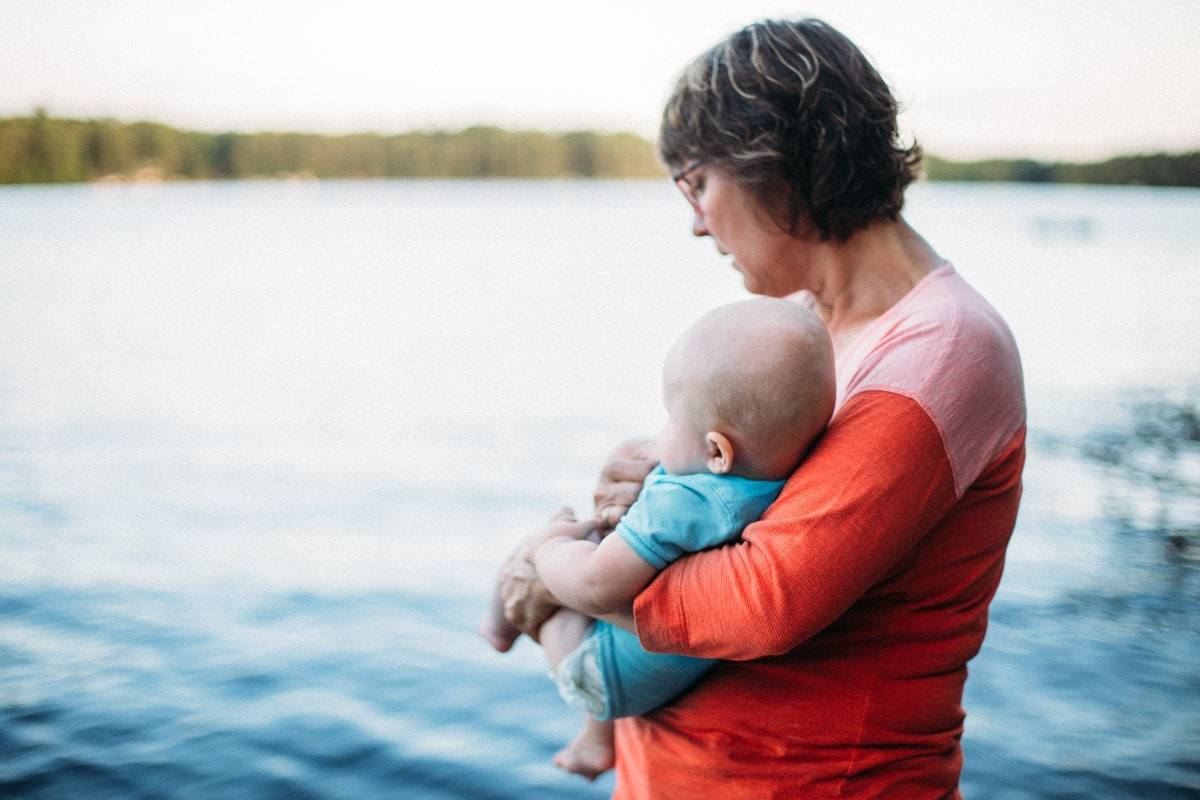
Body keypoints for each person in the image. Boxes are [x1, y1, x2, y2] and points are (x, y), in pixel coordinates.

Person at [497, 17, 1025, 799]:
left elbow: (762, 601)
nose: (695, 218)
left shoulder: (942, 351)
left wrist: (559, 579)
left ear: (771, 158)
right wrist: (661, 478)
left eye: (696, 181)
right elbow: (776, 502)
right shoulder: (809, 330)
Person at [480, 298, 835, 779]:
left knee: (549, 538)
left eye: (671, 419)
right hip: (654, 674)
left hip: (601, 676)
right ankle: (595, 743)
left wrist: (548, 550)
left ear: (716, 450)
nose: (662, 432)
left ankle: (499, 627)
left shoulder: (684, 502)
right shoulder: (780, 483)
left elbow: (595, 587)